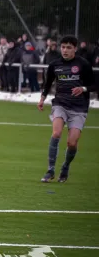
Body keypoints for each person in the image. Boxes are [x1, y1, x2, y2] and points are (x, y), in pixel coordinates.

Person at [38, 35, 96, 183]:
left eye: (69, 47)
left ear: (75, 49)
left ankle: (65, 167)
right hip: (60, 104)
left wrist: (83, 88)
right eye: (63, 47)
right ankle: (50, 170)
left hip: (79, 107)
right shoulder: (55, 64)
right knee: (56, 133)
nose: (65, 50)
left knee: (72, 143)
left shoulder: (83, 64)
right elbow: (48, 82)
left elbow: (95, 85)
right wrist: (42, 98)